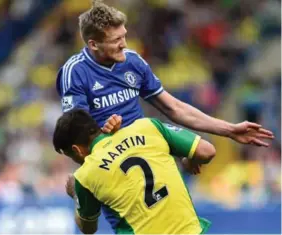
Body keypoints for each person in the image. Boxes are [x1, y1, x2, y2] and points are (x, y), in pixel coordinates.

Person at [56, 0, 273, 147]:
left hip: (143, 140)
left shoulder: (133, 61)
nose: (124, 44)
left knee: (205, 150)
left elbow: (174, 108)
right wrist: (104, 132)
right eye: (116, 40)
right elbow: (76, 131)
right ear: (93, 44)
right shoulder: (74, 72)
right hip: (106, 151)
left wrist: (229, 130)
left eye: (124, 36)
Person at [53, 109, 216, 234]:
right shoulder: (147, 126)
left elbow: (88, 229)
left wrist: (75, 194)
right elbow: (206, 151)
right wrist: (188, 160)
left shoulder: (84, 176)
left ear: (77, 150)